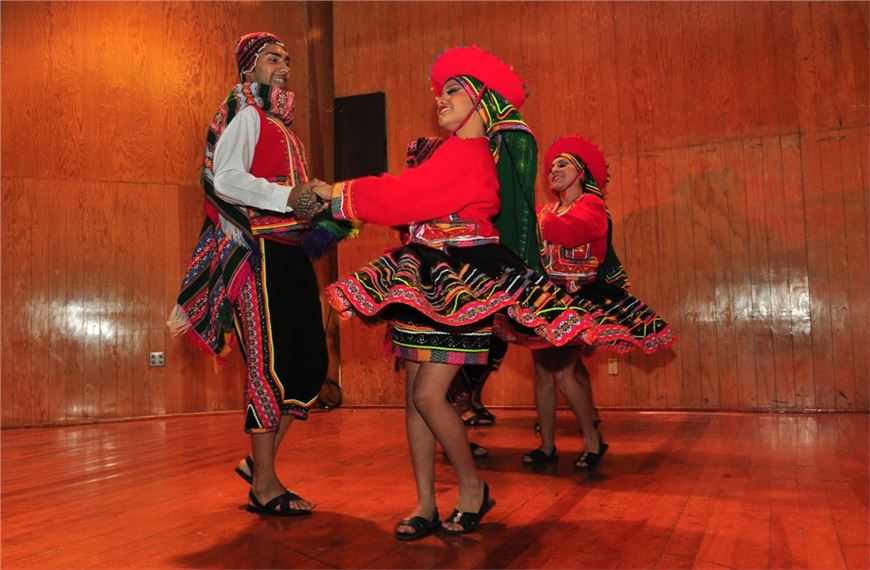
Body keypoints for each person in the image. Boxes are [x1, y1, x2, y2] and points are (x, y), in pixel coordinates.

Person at [312, 46, 597, 538]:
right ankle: (425, 503)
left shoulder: (470, 155)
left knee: (427, 394)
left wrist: (334, 192)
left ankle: (472, 488)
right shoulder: (450, 153)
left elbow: (404, 196)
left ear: (481, 102)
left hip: (459, 280)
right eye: (439, 92)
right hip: (426, 273)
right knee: (415, 396)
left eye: (451, 91)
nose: (439, 99)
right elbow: (407, 195)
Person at [168, 32, 331, 516]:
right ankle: (265, 486)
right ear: (248, 68)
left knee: (307, 363)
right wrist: (289, 197)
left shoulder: (285, 127)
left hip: (289, 253)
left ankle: (257, 465)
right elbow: (226, 178)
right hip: (257, 256)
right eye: (271, 58)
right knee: (269, 364)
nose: (283, 65)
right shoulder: (247, 113)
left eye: (286, 59)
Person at [521, 136, 675, 470]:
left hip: (581, 299)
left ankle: (593, 439)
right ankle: (547, 445)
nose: (553, 170)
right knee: (544, 373)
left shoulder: (592, 207)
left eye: (562, 165)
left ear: (580, 172)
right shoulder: (545, 211)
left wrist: (531, 225)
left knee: (562, 372)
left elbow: (573, 230)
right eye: (551, 167)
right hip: (549, 299)